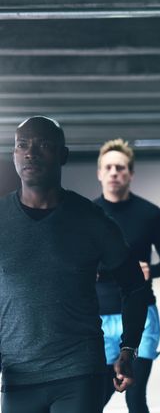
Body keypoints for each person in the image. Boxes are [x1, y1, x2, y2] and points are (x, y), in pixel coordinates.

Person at [0, 116, 148, 413]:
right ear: (14, 154)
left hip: (78, 373)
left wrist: (128, 349)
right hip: (18, 376)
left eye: (43, 145)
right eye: (22, 145)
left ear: (63, 155)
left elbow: (135, 287)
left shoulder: (91, 219)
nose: (31, 152)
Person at [94, 138, 160, 412]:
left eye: (120, 167)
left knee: (136, 397)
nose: (114, 172)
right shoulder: (87, 216)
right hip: (99, 317)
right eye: (108, 167)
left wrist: (151, 270)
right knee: (98, 397)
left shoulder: (150, 214)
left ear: (130, 173)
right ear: (99, 173)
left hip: (142, 314)